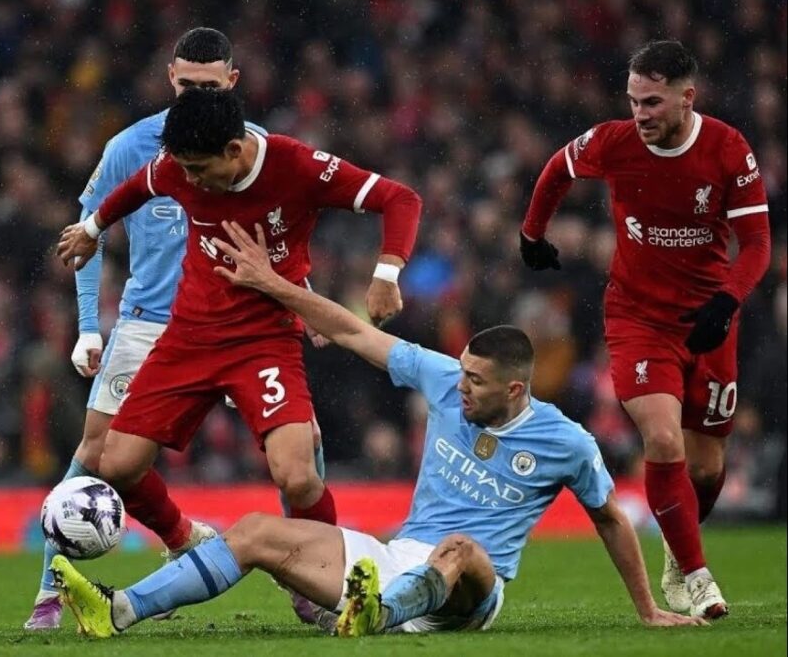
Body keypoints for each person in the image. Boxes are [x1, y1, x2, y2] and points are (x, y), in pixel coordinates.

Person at [49, 220, 707, 638]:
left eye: (474, 382)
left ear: (515, 390)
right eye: (461, 374)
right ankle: (120, 610)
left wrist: (647, 608)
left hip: (471, 594)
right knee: (250, 531)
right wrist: (275, 286)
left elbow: (611, 519)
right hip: (392, 562)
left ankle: (376, 615)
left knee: (460, 549)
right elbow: (352, 330)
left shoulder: (567, 442)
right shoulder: (446, 378)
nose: (459, 386)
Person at [56, 86, 418, 603]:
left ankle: (324, 588)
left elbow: (399, 198)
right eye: (184, 169)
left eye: (200, 169)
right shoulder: (180, 167)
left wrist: (387, 272)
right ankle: (185, 538)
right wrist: (93, 228)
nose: (191, 180)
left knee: (296, 477)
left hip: (264, 340)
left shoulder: (295, 165)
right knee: (115, 467)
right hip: (189, 337)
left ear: (234, 150)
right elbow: (140, 185)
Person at [27, 27, 333, 630]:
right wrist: (89, 327)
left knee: (305, 450)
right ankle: (55, 591)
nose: (195, 95)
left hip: (247, 323)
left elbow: (284, 240)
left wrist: (307, 302)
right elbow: (90, 232)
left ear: (232, 85)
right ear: (171, 79)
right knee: (96, 452)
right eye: (186, 85)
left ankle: (309, 582)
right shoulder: (131, 146)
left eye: (209, 87)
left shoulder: (254, 149)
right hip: (149, 324)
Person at [519, 40, 771, 619]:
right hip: (637, 318)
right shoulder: (614, 141)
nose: (640, 114)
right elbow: (558, 168)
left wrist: (728, 300)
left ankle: (678, 557)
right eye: (633, 101)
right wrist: (532, 234)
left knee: (706, 468)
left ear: (688, 97)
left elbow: (756, 244)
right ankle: (699, 577)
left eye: (653, 102)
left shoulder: (728, 150)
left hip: (708, 319)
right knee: (662, 441)